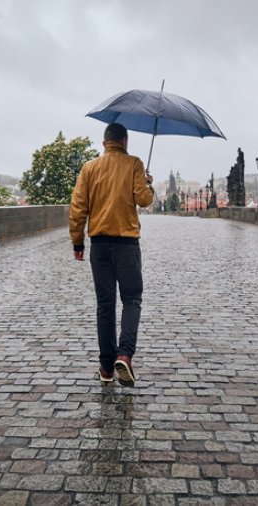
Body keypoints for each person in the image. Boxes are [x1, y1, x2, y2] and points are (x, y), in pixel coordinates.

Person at [69, 122, 154, 386]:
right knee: (131, 300)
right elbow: (145, 200)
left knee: (105, 306)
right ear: (125, 141)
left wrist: (77, 241)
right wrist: (147, 183)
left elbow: (78, 207)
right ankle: (125, 356)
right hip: (127, 245)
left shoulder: (90, 168)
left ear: (105, 142)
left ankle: (106, 369)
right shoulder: (134, 164)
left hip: (100, 245)